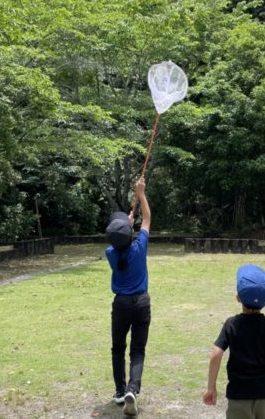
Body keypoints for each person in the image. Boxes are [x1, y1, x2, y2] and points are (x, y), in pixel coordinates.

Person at [203, 264, 265, 419]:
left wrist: (211, 388)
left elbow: (216, 354)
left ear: (238, 298)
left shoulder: (231, 324)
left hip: (239, 396)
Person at [105, 177, 151, 417]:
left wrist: (127, 226)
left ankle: (120, 391)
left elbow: (121, 241)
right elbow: (148, 219)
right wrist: (140, 194)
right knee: (137, 350)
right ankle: (133, 388)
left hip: (121, 305)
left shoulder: (110, 253)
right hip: (142, 303)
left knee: (117, 349)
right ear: (129, 233)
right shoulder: (139, 247)